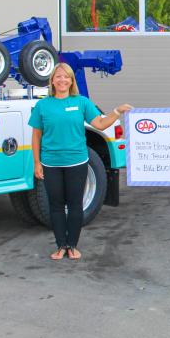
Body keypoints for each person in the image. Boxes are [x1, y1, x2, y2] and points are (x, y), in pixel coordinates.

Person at [29, 63, 132, 261]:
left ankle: (73, 245)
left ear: (71, 81)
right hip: (51, 163)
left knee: (75, 204)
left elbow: (100, 124)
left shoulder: (82, 102)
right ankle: (61, 246)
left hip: (77, 162)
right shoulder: (43, 105)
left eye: (66, 77)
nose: (62, 80)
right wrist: (37, 162)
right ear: (52, 80)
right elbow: (36, 136)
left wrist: (117, 111)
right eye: (58, 77)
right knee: (56, 205)